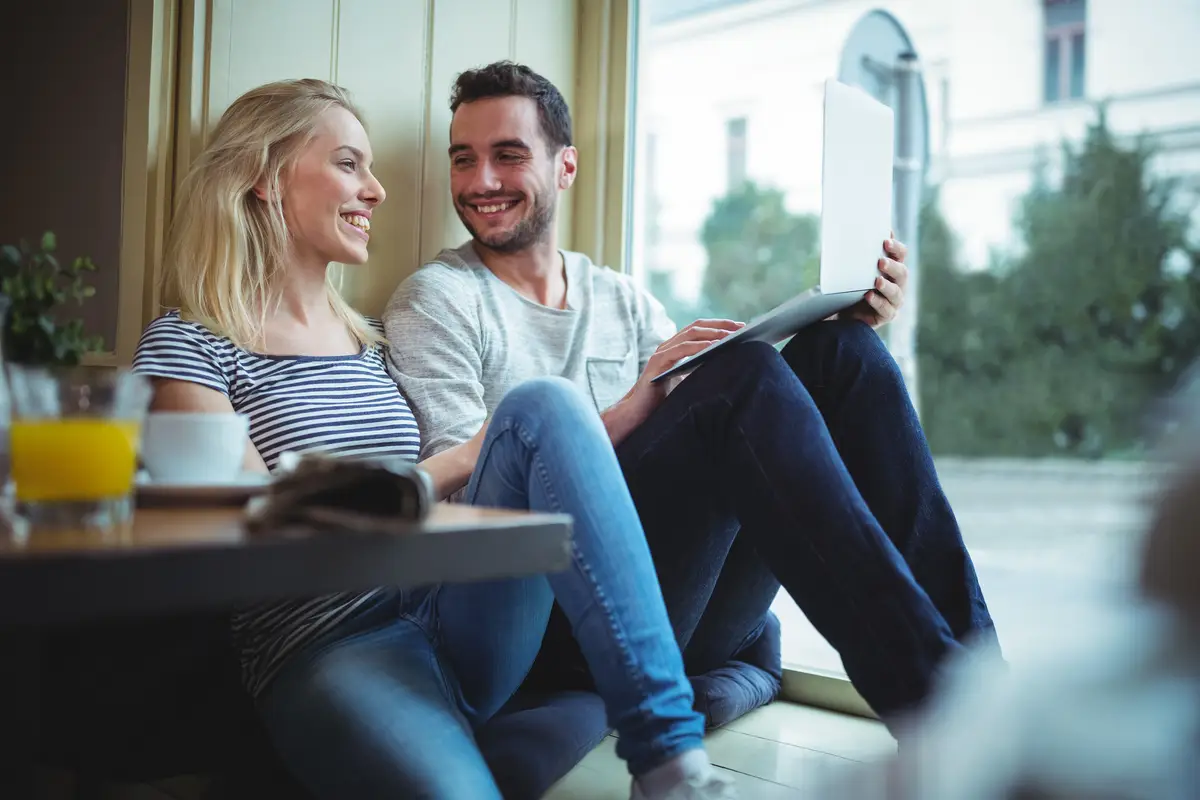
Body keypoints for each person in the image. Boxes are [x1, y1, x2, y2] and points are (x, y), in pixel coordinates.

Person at [131, 78, 738, 800]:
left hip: (452, 614)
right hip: (331, 644)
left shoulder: (367, 342)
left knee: (545, 402)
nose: (377, 190)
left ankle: (671, 761)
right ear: (265, 178)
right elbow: (255, 532)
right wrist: (457, 461)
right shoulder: (191, 344)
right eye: (349, 164)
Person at [383, 61, 1001, 730]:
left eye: (508, 155)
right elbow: (463, 508)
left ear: (565, 166)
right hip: (555, 626)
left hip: (688, 608)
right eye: (463, 160)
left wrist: (855, 307)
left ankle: (985, 688)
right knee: (745, 380)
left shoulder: (621, 298)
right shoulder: (437, 301)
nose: (482, 182)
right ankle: (945, 714)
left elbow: (720, 437)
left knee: (841, 353)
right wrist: (627, 412)